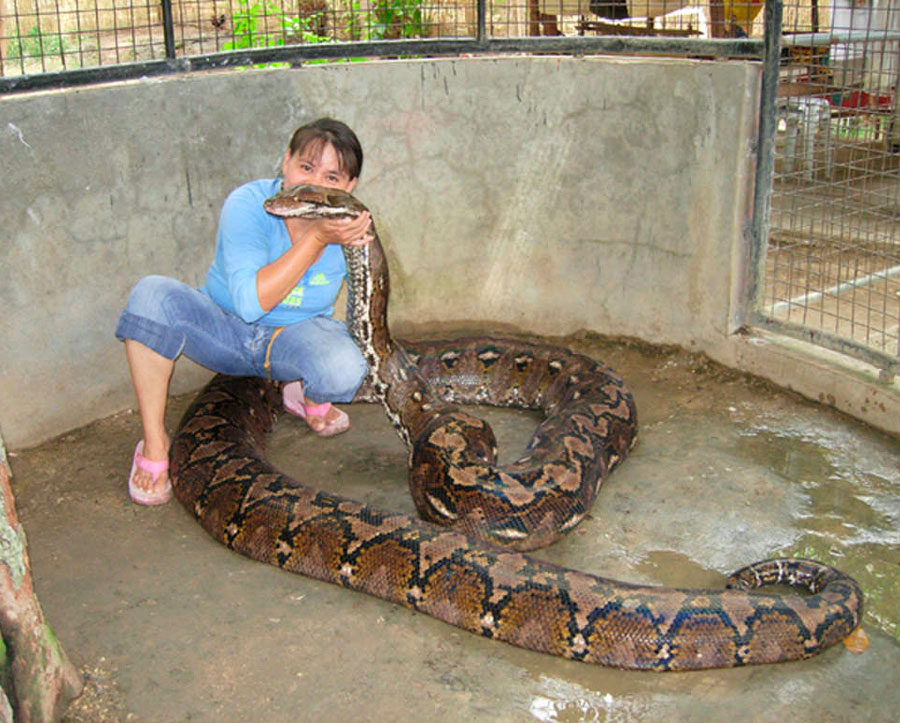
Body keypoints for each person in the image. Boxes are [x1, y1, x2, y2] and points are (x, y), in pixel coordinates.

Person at [115, 118, 373, 506]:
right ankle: (154, 441)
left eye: (332, 177)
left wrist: (327, 346)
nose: (314, 185)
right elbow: (251, 304)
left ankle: (301, 389)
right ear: (285, 162)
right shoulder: (251, 204)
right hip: (224, 328)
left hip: (293, 336)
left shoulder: (352, 228)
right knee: (151, 297)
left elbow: (366, 311)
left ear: (349, 187)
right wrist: (318, 238)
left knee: (346, 367)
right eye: (305, 167)